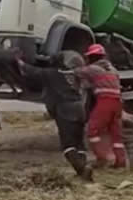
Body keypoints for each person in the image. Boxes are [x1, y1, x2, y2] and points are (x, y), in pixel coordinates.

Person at [17, 51, 93, 181]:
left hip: (65, 109)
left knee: (68, 144)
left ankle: (82, 168)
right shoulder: (70, 74)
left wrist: (17, 59)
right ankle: (83, 168)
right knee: (79, 142)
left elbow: (29, 70)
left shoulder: (50, 73)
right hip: (79, 108)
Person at [74, 44, 126, 169]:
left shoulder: (93, 69)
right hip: (118, 102)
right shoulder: (113, 69)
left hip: (105, 102)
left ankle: (102, 158)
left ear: (92, 57)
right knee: (116, 133)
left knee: (92, 130)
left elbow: (77, 72)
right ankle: (121, 161)